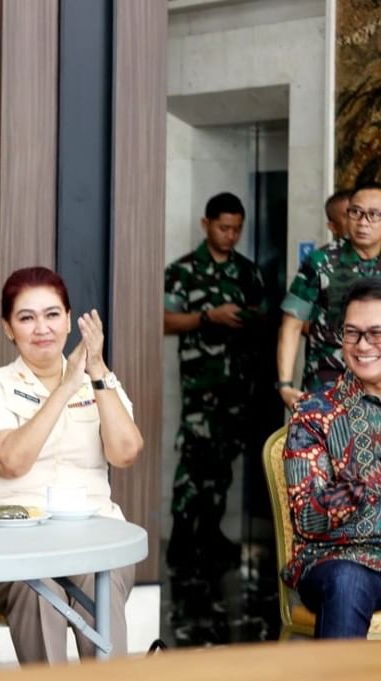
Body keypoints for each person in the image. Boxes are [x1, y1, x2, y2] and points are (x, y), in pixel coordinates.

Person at [0, 267, 142, 663]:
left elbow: (126, 453)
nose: (42, 328)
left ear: (68, 319)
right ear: (8, 328)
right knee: (40, 588)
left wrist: (96, 373)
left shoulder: (99, 380)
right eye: (26, 318)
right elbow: (12, 461)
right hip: (8, 548)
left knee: (102, 580)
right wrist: (63, 389)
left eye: (52, 315)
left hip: (91, 536)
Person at [163, 192, 266, 570]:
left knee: (224, 463)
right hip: (200, 387)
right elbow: (164, 320)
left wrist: (249, 318)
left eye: (237, 229)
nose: (231, 236)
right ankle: (181, 537)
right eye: (224, 228)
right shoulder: (183, 271)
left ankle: (210, 532)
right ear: (207, 225)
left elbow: (265, 316)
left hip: (237, 387)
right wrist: (210, 317)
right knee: (194, 461)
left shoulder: (248, 272)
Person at [283, 277, 381, 638]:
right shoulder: (315, 412)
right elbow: (309, 516)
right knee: (348, 582)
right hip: (337, 559)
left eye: (376, 334)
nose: (362, 345)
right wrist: (368, 482)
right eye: (352, 333)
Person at [278, 183, 381, 406]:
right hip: (327, 383)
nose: (363, 222)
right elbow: (292, 324)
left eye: (374, 215)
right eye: (356, 212)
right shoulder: (321, 261)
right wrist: (285, 385)